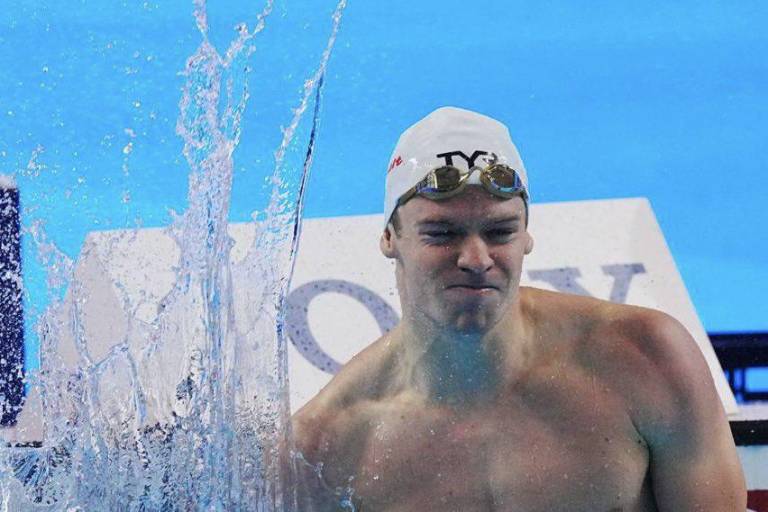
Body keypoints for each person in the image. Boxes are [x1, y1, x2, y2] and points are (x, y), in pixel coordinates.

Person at [290, 107, 746, 511]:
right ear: (391, 238)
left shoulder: (646, 359)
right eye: (441, 234)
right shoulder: (327, 445)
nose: (475, 259)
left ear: (527, 234)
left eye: (500, 231)